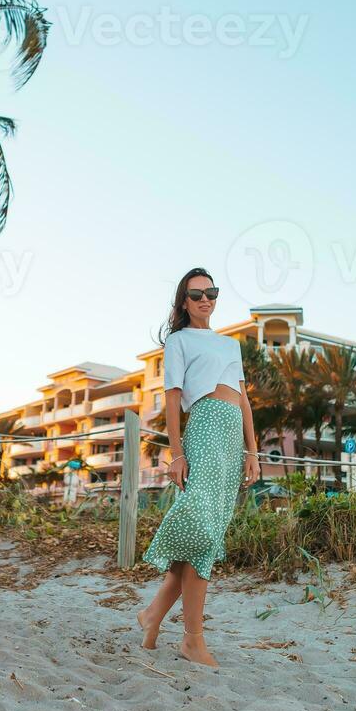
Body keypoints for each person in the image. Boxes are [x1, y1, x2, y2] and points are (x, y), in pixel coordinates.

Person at [138, 267, 259, 668]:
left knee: (203, 535)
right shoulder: (178, 341)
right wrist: (176, 452)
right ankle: (192, 640)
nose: (205, 299)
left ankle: (153, 616)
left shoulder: (230, 345)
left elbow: (243, 400)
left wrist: (252, 451)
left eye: (211, 292)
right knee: (203, 534)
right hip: (204, 430)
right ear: (183, 302)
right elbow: (172, 398)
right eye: (196, 294)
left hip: (230, 438)